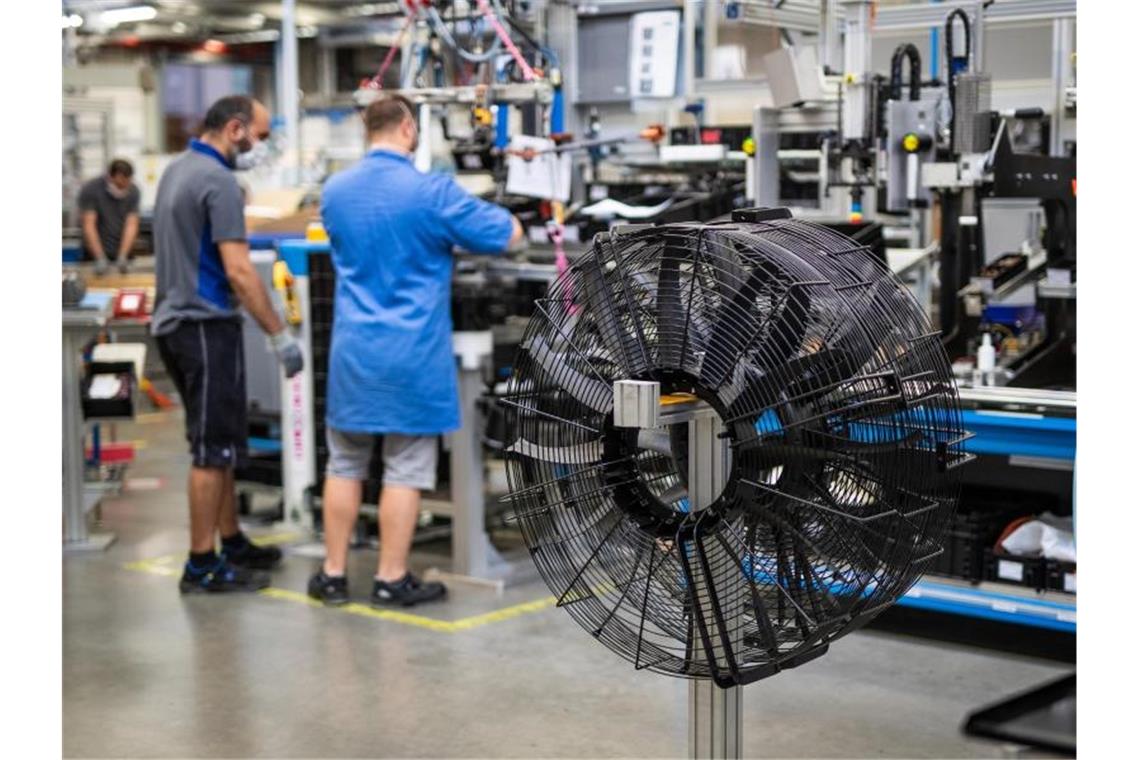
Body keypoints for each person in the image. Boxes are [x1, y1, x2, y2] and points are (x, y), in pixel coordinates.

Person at [307, 94, 524, 607]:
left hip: (354, 351)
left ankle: (333, 575)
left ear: (368, 128)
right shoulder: (430, 192)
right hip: (411, 353)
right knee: (404, 468)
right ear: (408, 128)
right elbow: (508, 235)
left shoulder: (335, 191)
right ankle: (390, 578)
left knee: (343, 463)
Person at [151, 95, 305, 594]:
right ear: (235, 129)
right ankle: (200, 564)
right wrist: (279, 333)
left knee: (215, 445)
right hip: (203, 324)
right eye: (259, 136)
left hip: (175, 322)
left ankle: (230, 539)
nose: (259, 147)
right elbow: (239, 270)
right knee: (210, 451)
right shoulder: (216, 180)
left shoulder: (180, 168)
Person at [79, 159, 141, 275]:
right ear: (110, 177)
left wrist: (123, 255)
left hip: (122, 253)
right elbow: (89, 225)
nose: (123, 188)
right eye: (119, 185)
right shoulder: (91, 189)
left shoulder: (133, 191)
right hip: (94, 255)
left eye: (126, 184)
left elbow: (131, 225)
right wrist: (99, 257)